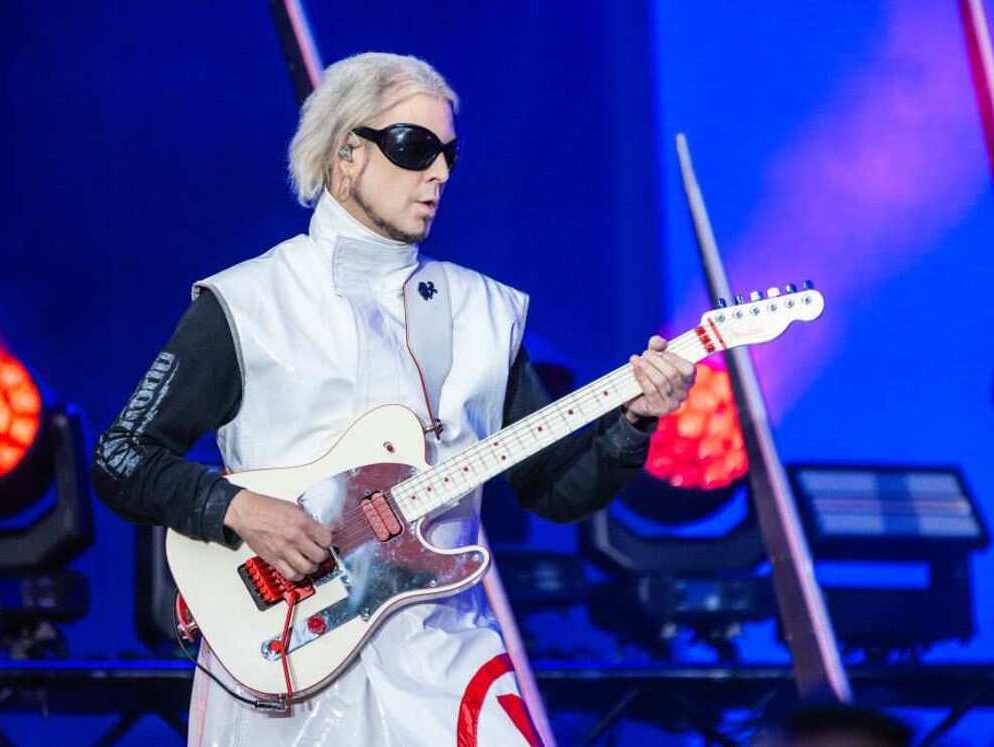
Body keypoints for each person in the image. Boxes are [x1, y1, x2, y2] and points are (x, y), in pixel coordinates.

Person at [92, 51, 696, 746]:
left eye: (449, 154)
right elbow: (119, 455)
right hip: (281, 659)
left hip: (445, 656)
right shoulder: (249, 301)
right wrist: (237, 508)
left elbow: (553, 492)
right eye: (414, 148)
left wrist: (632, 423)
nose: (437, 172)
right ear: (345, 154)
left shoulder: (483, 311)